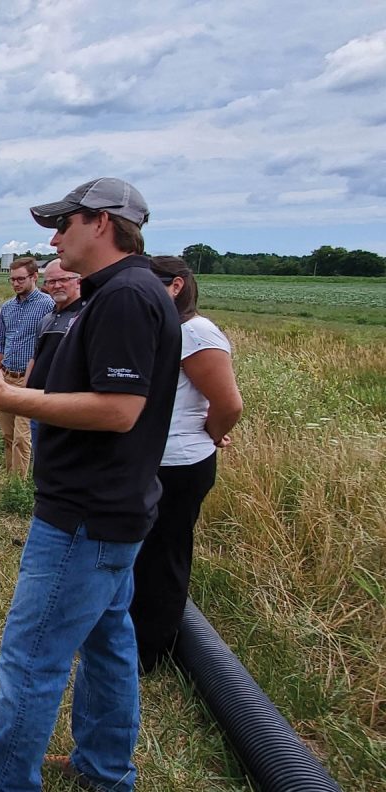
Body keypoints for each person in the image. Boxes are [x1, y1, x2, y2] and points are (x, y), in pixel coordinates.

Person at [0, 177, 179, 792]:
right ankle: (103, 769)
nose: (54, 237)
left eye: (64, 224)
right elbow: (96, 393)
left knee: (32, 656)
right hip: (111, 509)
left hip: (84, 516)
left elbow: (121, 410)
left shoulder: (124, 297)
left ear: (102, 224)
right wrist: (4, 384)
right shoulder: (117, 294)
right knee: (108, 646)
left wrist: (10, 397)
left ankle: (2, 784)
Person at [131, 256, 243, 671]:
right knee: (141, 552)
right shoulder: (165, 329)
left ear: (176, 286)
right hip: (151, 459)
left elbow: (229, 403)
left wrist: (212, 432)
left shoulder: (196, 333)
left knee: (164, 555)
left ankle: (151, 652)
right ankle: (133, 637)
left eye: (149, 282)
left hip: (179, 464)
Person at [0, 257, 54, 476]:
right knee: (7, 433)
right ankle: (11, 477)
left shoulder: (48, 305)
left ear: (34, 277)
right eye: (12, 280)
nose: (16, 284)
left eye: (20, 279)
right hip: (6, 375)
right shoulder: (7, 307)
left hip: (29, 379)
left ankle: (18, 483)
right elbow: (0, 341)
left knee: (21, 435)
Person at [26, 258, 84, 450]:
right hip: (39, 405)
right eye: (51, 282)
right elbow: (36, 357)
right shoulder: (47, 320)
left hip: (65, 408)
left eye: (64, 279)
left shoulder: (84, 317)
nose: (57, 285)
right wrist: (26, 393)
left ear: (78, 281)